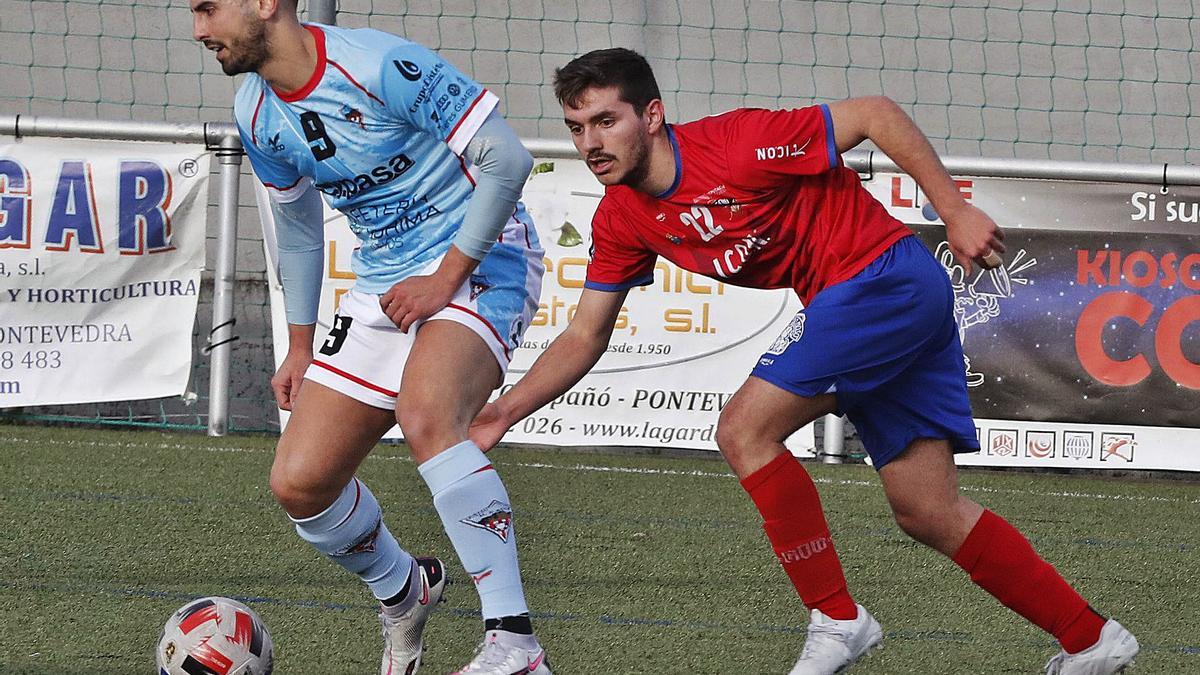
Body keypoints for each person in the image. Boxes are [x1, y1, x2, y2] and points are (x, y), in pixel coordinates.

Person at [469, 48, 1139, 675]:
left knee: (742, 430)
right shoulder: (621, 219)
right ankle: (1091, 637)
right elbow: (586, 334)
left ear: (651, 115)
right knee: (927, 510)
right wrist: (501, 413)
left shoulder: (740, 143)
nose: (590, 142)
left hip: (884, 280)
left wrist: (954, 208)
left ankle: (837, 618)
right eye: (576, 125)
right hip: (875, 303)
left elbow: (875, 112)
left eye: (605, 121)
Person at [190, 1, 553, 673]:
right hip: (385, 283)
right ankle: (404, 590)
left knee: (427, 413)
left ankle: (515, 643)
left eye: (208, 8)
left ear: (266, 4)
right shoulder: (256, 110)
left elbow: (507, 160)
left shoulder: (379, 65)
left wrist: (446, 277)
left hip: (483, 257)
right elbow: (298, 228)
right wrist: (299, 345)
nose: (199, 30)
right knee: (301, 482)